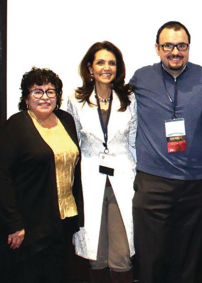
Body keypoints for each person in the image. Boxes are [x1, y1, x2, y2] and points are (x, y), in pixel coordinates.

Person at [129, 21, 202, 283]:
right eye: (168, 45)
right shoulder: (141, 78)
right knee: (151, 260)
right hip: (152, 183)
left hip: (195, 184)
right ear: (157, 48)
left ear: (189, 48)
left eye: (181, 45)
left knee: (187, 262)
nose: (175, 51)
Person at [0, 67, 82, 282]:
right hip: (29, 227)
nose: (45, 97)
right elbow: (0, 176)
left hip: (62, 221)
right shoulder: (16, 125)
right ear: (26, 98)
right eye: (37, 91)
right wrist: (14, 224)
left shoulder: (66, 121)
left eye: (50, 91)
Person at [66, 41, 136, 283]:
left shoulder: (129, 98)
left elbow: (134, 141)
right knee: (96, 253)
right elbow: (73, 143)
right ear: (90, 68)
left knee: (121, 254)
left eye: (112, 63)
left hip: (123, 180)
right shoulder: (75, 100)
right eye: (101, 62)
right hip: (90, 180)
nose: (107, 68)